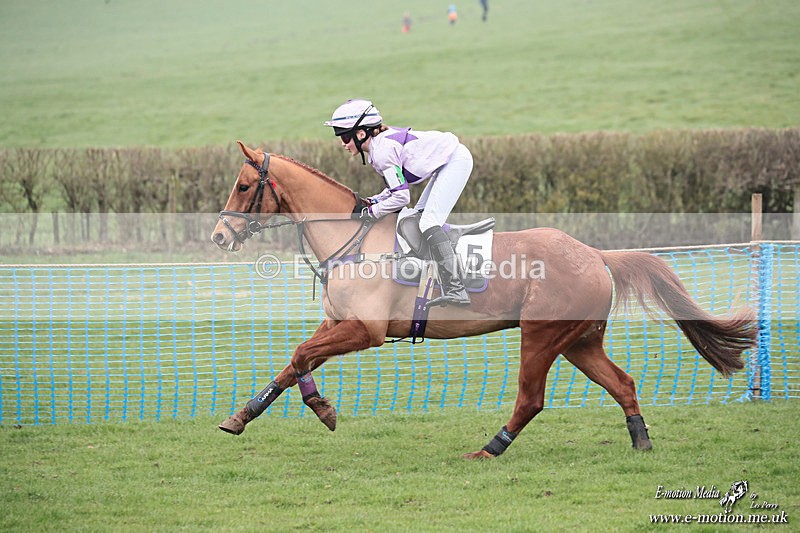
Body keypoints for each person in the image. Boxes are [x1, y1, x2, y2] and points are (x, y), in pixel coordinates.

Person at [324, 98, 473, 306]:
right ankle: (438, 271)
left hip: (455, 161)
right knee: (416, 219)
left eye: (345, 137)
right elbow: (395, 188)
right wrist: (374, 200)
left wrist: (372, 212)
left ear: (361, 134)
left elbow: (402, 198)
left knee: (428, 222)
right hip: (447, 162)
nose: (343, 143)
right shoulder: (378, 147)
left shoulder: (382, 152)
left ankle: (456, 288)